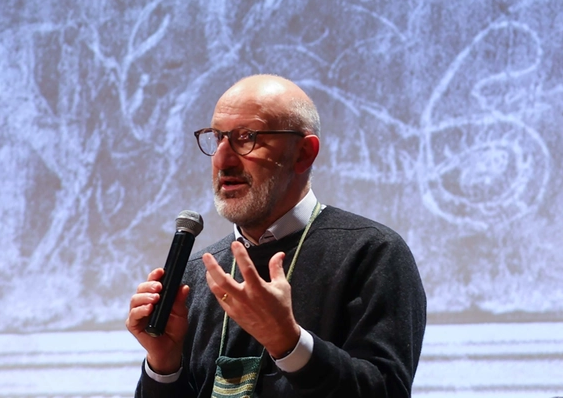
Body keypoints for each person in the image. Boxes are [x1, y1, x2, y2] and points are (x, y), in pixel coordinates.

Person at [127, 75, 426, 397]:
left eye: (246, 138)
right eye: (217, 138)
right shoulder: (196, 274)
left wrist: (289, 343)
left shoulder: (372, 253)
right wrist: (163, 365)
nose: (223, 160)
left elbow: (385, 390)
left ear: (303, 153)